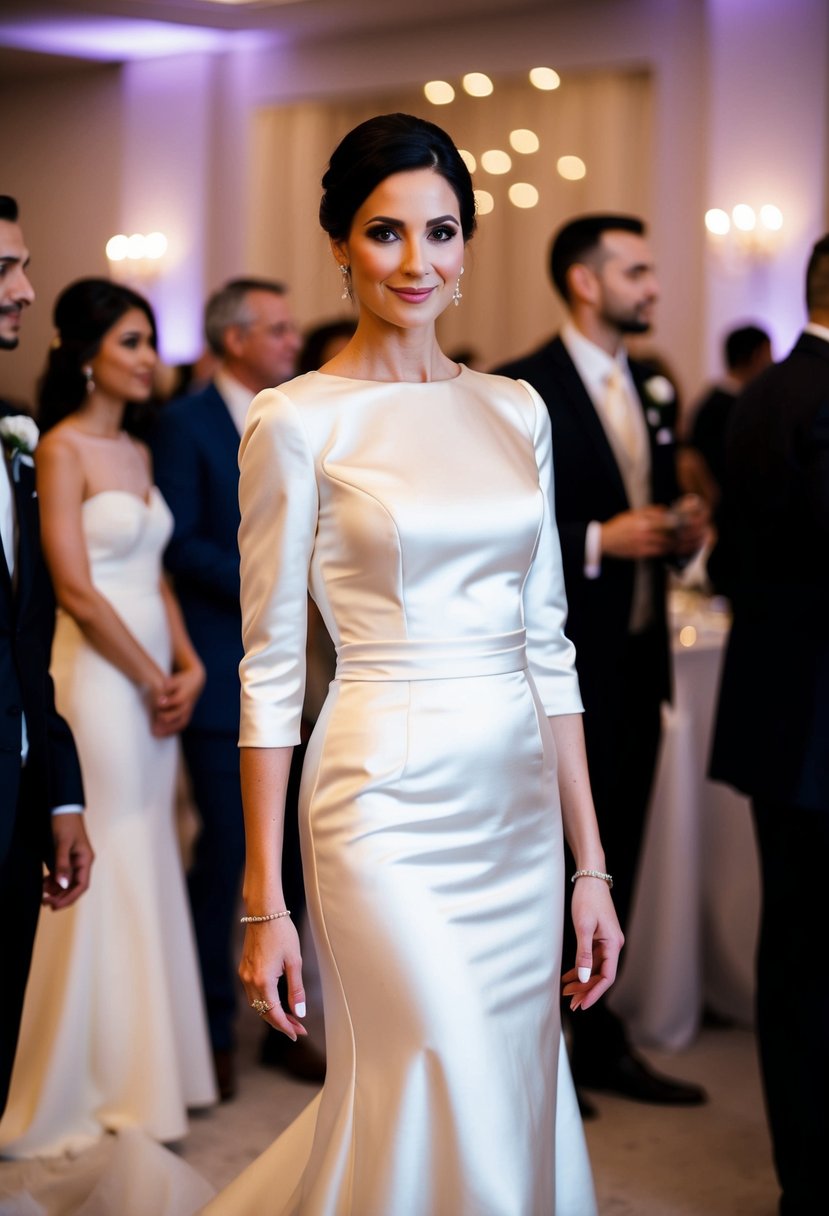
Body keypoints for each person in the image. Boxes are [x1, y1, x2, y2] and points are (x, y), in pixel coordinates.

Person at [203, 112, 623, 1216]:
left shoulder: (513, 409)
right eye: (385, 234)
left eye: (440, 232)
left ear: (468, 247)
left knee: (509, 1077)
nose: (416, 262)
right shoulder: (295, 421)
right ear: (341, 245)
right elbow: (270, 669)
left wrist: (591, 865)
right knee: (426, 1061)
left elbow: (549, 646)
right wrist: (262, 896)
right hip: (376, 799)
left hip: (517, 804)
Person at [494, 214, 708, 1113]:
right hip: (557, 662)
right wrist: (594, 539)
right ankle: (537, 1045)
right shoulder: (521, 387)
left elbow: (646, 499)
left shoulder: (650, 384)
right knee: (551, 857)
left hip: (637, 657)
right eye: (637, 271)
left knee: (615, 849)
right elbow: (502, 531)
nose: (652, 287)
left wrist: (680, 531)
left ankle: (602, 1033)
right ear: (585, 282)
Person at [0, 278, 216, 1158]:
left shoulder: (134, 448)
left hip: (154, 676)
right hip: (93, 678)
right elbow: (77, 588)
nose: (148, 359)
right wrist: (144, 674)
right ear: (87, 354)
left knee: (148, 852)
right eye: (131, 341)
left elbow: (154, 570)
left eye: (150, 341)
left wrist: (188, 663)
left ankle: (145, 1071)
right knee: (101, 852)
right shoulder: (60, 449)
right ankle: (68, 1079)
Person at [150, 278, 301, 1100]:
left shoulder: (303, 413)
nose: (292, 340)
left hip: (307, 672)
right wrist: (276, 581)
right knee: (232, 860)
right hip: (221, 666)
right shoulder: (185, 423)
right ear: (233, 338)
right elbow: (178, 544)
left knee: (298, 865)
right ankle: (211, 1031)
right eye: (277, 329)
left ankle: (288, 1022)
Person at [708, 236, 829, 1215]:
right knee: (808, 961)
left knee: (796, 950)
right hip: (814, 730)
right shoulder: (815, 396)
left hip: (783, 717)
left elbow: (731, 562)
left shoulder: (764, 392)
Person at [0, 195, 92, 1119]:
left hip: (20, 800)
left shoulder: (13, 430)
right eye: (3, 272)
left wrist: (60, 791)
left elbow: (29, 637)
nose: (25, 292)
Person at [689, 323, 772, 501]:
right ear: (757, 356)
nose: (772, 363)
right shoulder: (730, 407)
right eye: (769, 354)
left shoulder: (712, 401)